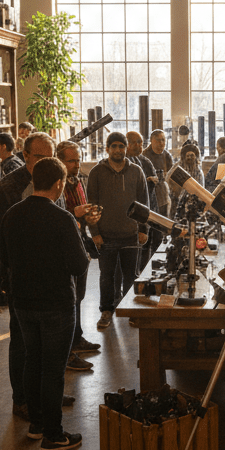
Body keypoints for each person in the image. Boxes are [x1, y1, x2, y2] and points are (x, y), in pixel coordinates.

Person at [0, 157, 87, 450]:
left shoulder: (12, 215)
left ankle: (36, 425)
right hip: (56, 303)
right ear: (59, 184)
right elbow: (77, 264)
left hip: (22, 301)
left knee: (32, 361)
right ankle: (54, 435)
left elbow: (5, 259)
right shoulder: (62, 218)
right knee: (53, 370)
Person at [0, 131, 75, 419]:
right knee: (24, 345)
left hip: (51, 285)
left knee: (47, 350)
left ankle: (47, 398)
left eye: (52, 157)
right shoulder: (9, 189)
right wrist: (3, 282)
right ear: (25, 156)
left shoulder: (52, 185)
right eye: (41, 157)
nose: (48, 162)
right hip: (23, 286)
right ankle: (23, 399)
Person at [88, 132, 149, 329]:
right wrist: (95, 231)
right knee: (106, 276)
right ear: (107, 149)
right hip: (106, 236)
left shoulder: (137, 171)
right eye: (113, 146)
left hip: (131, 234)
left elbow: (144, 205)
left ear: (126, 148)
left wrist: (143, 229)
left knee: (131, 276)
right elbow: (92, 204)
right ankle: (106, 311)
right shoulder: (97, 172)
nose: (117, 150)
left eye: (121, 146)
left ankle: (131, 310)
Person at [55, 140, 102, 365]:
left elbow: (77, 215)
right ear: (59, 160)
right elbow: (57, 215)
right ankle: (69, 347)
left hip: (79, 242)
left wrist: (88, 217)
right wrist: (76, 212)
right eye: (71, 160)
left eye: (78, 160)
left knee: (79, 296)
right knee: (69, 298)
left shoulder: (77, 181)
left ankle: (77, 337)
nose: (76, 164)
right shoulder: (56, 185)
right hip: (64, 248)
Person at [126, 130, 159, 267]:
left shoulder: (144, 160)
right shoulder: (125, 162)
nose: (140, 146)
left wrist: (154, 179)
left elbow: (156, 177)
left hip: (149, 209)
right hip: (133, 217)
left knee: (148, 248)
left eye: (141, 142)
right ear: (127, 144)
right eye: (136, 142)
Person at [142, 129, 174, 219]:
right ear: (151, 141)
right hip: (149, 190)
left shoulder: (167, 155)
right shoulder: (144, 155)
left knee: (164, 215)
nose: (161, 143)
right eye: (158, 140)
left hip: (163, 190)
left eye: (163, 140)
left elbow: (171, 172)